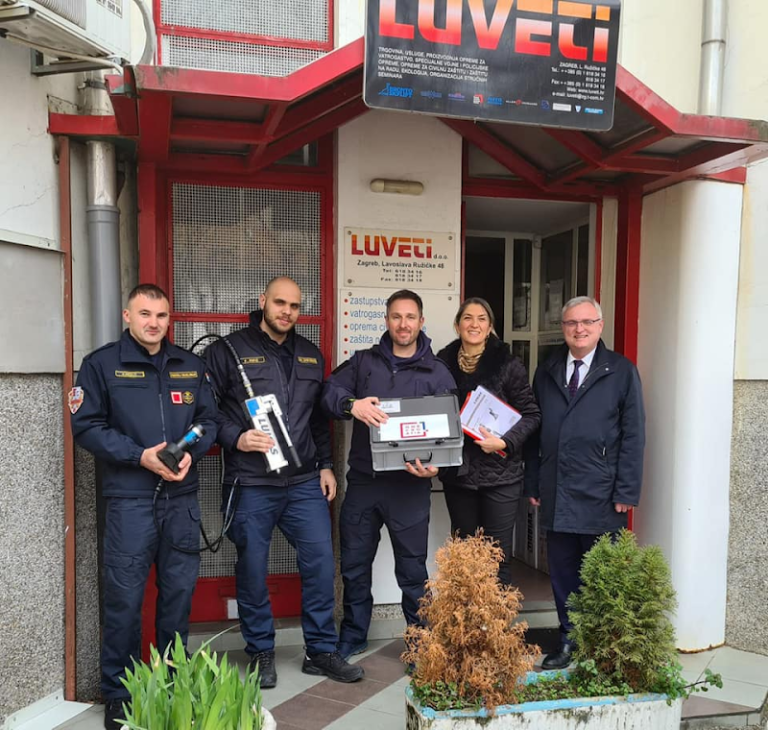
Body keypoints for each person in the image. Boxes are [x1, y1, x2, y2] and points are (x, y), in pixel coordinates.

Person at [70, 284, 218, 729]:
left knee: (178, 597)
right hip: (130, 503)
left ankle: (174, 684)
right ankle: (121, 693)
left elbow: (209, 421)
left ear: (169, 319)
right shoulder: (100, 365)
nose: (154, 323)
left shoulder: (190, 366)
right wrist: (140, 456)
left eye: (161, 315)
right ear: (127, 316)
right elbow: (86, 427)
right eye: (145, 314)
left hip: (181, 501)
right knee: (124, 602)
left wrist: (193, 452)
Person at [204, 277, 363, 686]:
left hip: (304, 481)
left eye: (294, 306)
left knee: (320, 564)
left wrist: (325, 464)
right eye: (279, 303)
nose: (286, 312)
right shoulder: (228, 351)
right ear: (263, 301)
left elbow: (317, 419)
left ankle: (321, 651)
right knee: (252, 569)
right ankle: (260, 651)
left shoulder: (311, 355)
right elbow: (205, 411)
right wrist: (236, 437)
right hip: (251, 481)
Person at [322, 289, 457, 660]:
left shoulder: (437, 372)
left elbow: (450, 431)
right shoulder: (364, 363)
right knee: (354, 565)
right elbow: (329, 393)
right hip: (364, 482)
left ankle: (419, 644)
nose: (403, 324)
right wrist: (352, 405)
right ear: (386, 320)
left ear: (421, 321)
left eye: (410, 317)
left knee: (412, 571)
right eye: (396, 316)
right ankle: (353, 635)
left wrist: (438, 467)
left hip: (410, 487)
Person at [524, 295, 645, 670]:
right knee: (562, 573)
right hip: (556, 489)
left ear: (600, 326)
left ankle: (603, 645)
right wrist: (533, 482)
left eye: (587, 322)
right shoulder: (547, 370)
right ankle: (569, 639)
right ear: (563, 328)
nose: (579, 329)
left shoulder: (621, 371)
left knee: (602, 574)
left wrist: (627, 490)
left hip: (602, 492)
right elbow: (534, 431)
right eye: (572, 323)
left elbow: (634, 435)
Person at [437, 298, 541, 585]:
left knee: (497, 557)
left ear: (490, 326)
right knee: (464, 557)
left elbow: (532, 414)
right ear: (457, 325)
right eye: (468, 318)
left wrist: (504, 442)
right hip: (459, 474)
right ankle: (466, 615)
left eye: (481, 318)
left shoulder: (507, 364)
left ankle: (496, 615)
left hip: (501, 476)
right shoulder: (441, 364)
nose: (474, 324)